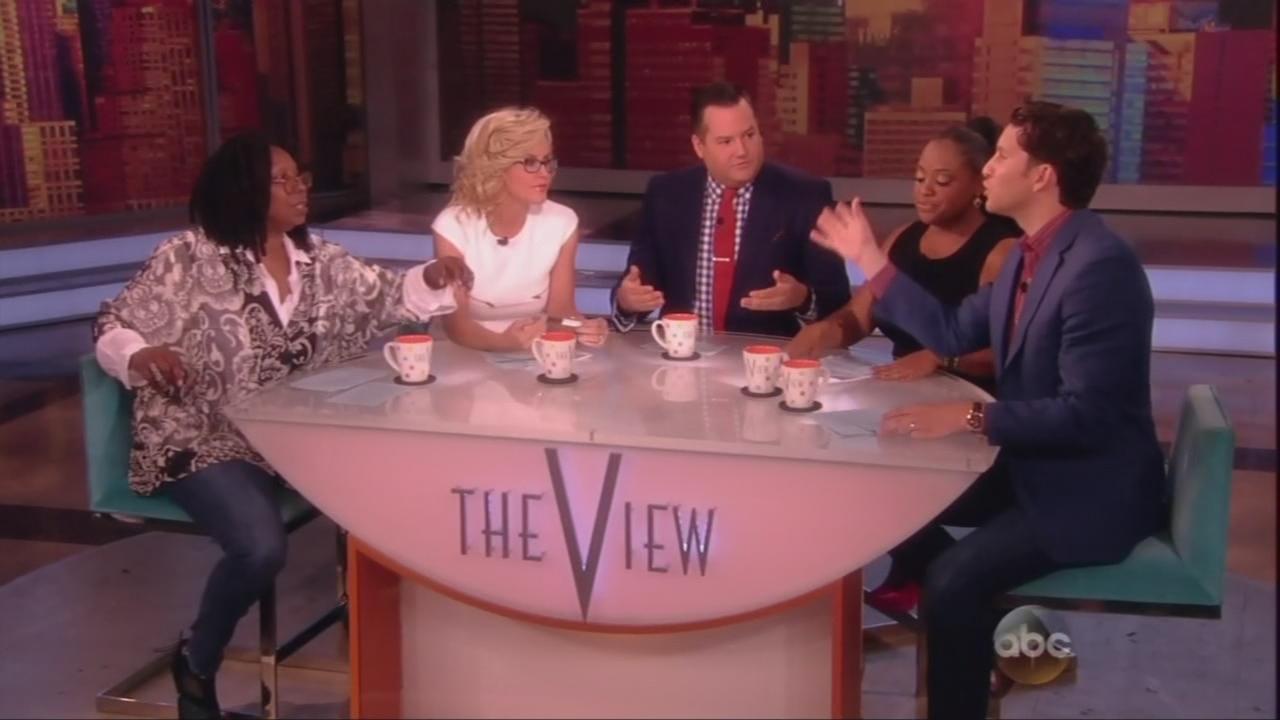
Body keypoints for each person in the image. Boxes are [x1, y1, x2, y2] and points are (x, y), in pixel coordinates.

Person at [94, 132, 472, 719]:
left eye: (302, 178)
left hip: (297, 439)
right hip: (203, 437)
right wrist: (140, 354)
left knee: (397, 492)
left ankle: (406, 663)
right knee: (259, 547)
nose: (301, 190)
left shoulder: (321, 261)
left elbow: (388, 295)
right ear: (244, 188)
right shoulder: (186, 258)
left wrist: (435, 274)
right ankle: (197, 659)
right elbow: (114, 325)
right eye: (284, 180)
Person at [811, 101, 1166, 719]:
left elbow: (1089, 415)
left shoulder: (1099, 267)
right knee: (885, 484)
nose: (990, 167)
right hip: (1034, 464)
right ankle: (980, 641)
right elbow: (950, 331)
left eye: (1002, 156)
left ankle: (969, 650)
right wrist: (869, 259)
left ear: (1042, 176)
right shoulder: (1029, 254)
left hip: (1088, 491)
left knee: (953, 580)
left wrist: (971, 417)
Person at [787, 120, 1021, 399]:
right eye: (920, 178)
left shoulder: (1001, 252)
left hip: (967, 403)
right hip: (898, 394)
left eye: (942, 181)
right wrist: (824, 332)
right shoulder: (902, 238)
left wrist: (939, 359)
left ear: (979, 185)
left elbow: (1009, 353)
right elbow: (858, 317)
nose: (926, 190)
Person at [612, 81, 850, 337]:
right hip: (683, 354)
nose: (742, 151)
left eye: (749, 135)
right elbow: (638, 285)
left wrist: (802, 298)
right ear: (699, 146)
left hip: (767, 355)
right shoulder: (666, 195)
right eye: (726, 141)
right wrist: (627, 301)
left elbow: (838, 303)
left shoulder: (805, 196)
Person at [432, 107, 609, 351]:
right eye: (530, 162)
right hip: (463, 351)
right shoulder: (453, 225)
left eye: (547, 162)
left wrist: (582, 326)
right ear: (496, 167)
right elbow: (456, 326)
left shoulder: (562, 222)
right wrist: (503, 343)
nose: (544, 173)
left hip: (530, 353)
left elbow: (559, 315)